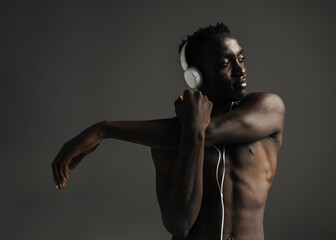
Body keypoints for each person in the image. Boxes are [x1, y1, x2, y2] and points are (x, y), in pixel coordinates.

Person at [51, 23, 285, 240]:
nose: (240, 70)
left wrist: (104, 129)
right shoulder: (165, 142)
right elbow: (179, 225)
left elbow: (211, 131)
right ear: (195, 77)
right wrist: (193, 133)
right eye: (225, 63)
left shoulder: (269, 108)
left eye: (241, 59)